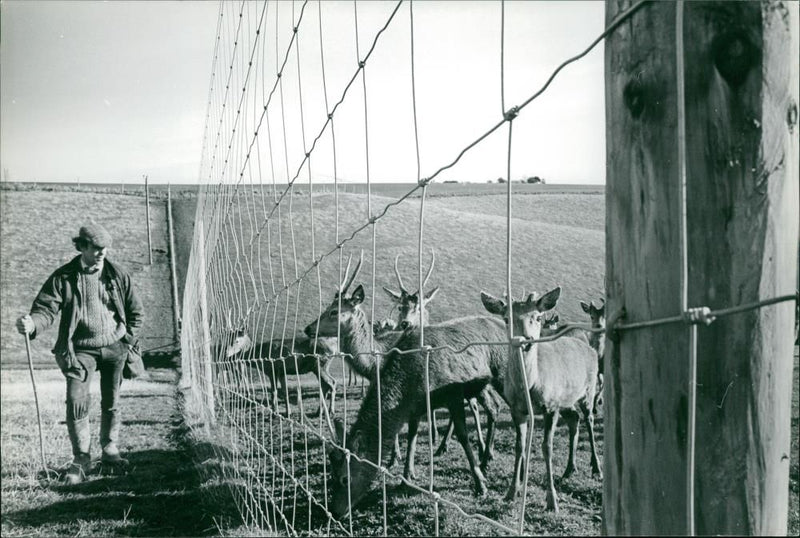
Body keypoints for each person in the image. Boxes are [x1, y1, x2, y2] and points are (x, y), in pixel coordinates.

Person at [16, 224, 144, 484]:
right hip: (79, 351)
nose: (101, 254)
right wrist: (32, 324)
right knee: (76, 400)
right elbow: (45, 309)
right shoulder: (64, 277)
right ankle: (81, 459)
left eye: (104, 249)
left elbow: (136, 313)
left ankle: (110, 451)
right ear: (81, 246)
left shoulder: (117, 275)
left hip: (114, 348)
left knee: (112, 400)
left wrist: (127, 341)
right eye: (96, 248)